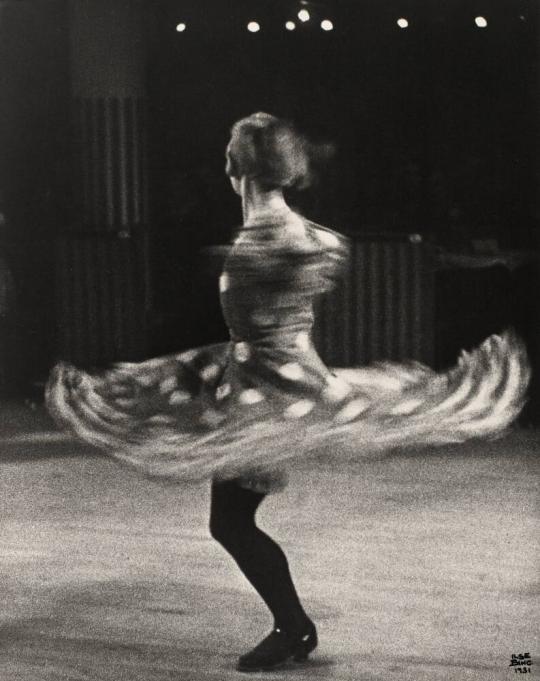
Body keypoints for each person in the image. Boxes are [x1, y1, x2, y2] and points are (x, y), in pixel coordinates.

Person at [47, 112, 530, 673]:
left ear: (233, 166)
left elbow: (304, 260)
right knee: (230, 521)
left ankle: (295, 629)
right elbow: (318, 255)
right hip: (256, 379)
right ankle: (294, 627)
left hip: (270, 393)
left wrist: (249, 265)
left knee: (230, 523)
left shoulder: (271, 236)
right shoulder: (278, 232)